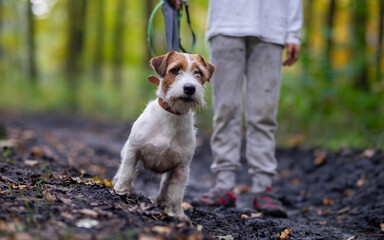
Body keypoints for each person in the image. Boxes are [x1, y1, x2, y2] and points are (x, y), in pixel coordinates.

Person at [171, 0, 303, 217]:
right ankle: (224, 185)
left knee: (264, 113)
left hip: (272, 27)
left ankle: (263, 187)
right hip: (226, 25)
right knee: (226, 110)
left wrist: (293, 32)